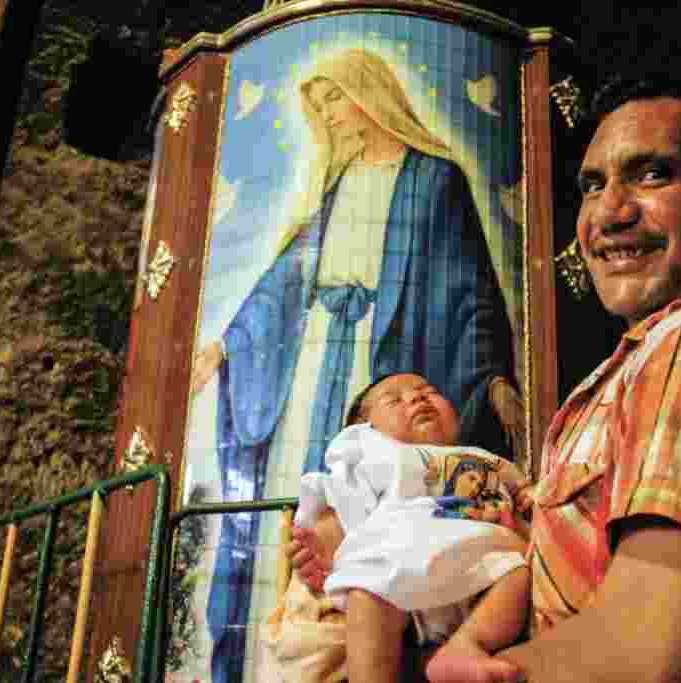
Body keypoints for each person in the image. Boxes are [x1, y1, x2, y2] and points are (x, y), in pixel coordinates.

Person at [293, 64, 681, 683]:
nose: (609, 213)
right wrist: (366, 552)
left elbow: (641, 655)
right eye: (592, 185)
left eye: (653, 174)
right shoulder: (647, 361)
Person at [189, 48, 522, 683]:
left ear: (369, 95)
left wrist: (491, 378)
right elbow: (287, 276)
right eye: (320, 106)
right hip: (319, 358)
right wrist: (227, 345)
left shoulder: (434, 179)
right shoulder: (336, 183)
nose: (331, 115)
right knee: (318, 490)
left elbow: (468, 289)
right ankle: (297, 646)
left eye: (335, 98)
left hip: (384, 351)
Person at [265, 373, 532, 683]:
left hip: (478, 561)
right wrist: (325, 538)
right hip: (400, 562)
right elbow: (340, 499)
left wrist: (530, 498)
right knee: (367, 593)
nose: (418, 398)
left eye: (429, 391)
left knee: (518, 571)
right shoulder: (372, 453)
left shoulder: (482, 458)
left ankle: (466, 645)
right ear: (364, 428)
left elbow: (523, 490)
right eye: (394, 400)